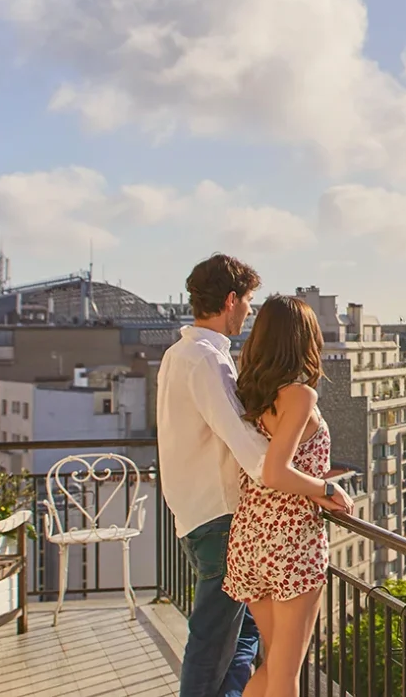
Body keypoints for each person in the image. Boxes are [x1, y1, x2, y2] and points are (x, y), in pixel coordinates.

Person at [157, 255, 274, 697]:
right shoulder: (207, 361)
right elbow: (249, 449)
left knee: (238, 636)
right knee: (212, 642)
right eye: (248, 301)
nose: (249, 311)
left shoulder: (178, 354)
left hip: (196, 515)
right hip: (218, 520)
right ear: (230, 300)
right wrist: (312, 484)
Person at [225, 296, 350, 697]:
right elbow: (277, 471)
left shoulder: (255, 395)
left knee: (275, 660)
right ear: (304, 340)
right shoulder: (299, 395)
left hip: (251, 536)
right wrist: (327, 489)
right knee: (285, 673)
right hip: (290, 540)